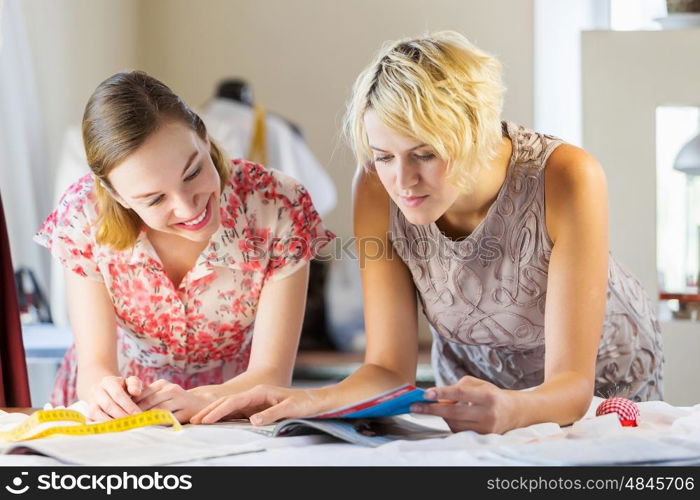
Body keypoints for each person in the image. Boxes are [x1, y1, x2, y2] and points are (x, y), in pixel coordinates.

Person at [191, 31, 664, 434]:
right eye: (384, 155)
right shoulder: (376, 187)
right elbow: (388, 369)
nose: (402, 181)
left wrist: (514, 408)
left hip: (602, 390)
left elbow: (572, 386)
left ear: (475, 132)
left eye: (425, 154)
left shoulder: (567, 177)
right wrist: (309, 400)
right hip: (478, 396)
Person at [34, 71, 334, 423]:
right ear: (117, 195)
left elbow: (271, 374)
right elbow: (94, 366)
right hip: (120, 420)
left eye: (192, 173)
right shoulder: (84, 215)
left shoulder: (277, 204)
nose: (189, 208)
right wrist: (106, 392)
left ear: (204, 137)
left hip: (232, 411)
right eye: (155, 198)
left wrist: (203, 400)